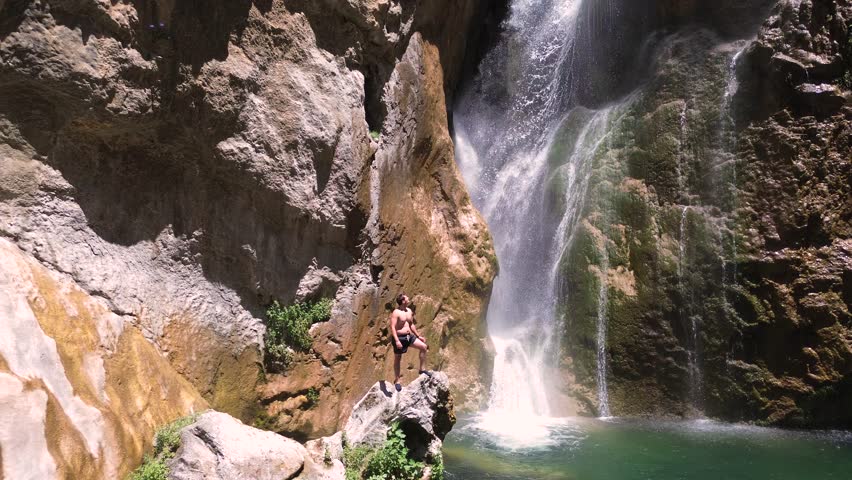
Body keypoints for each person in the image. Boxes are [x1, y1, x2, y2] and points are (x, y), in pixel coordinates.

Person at [389, 293, 430, 392]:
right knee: (398, 358)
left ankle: (422, 369)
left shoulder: (409, 311)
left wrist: (418, 336)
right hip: (399, 338)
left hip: (409, 337)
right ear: (403, 301)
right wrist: (397, 341)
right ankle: (397, 381)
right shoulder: (396, 312)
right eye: (407, 297)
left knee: (423, 347)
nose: (409, 298)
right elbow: (393, 328)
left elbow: (411, 324)